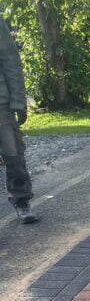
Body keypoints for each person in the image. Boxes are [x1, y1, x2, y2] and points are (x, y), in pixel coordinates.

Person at [0, 18, 38, 223]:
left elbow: (10, 60)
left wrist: (19, 101)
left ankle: (21, 200)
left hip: (1, 106)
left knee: (14, 157)